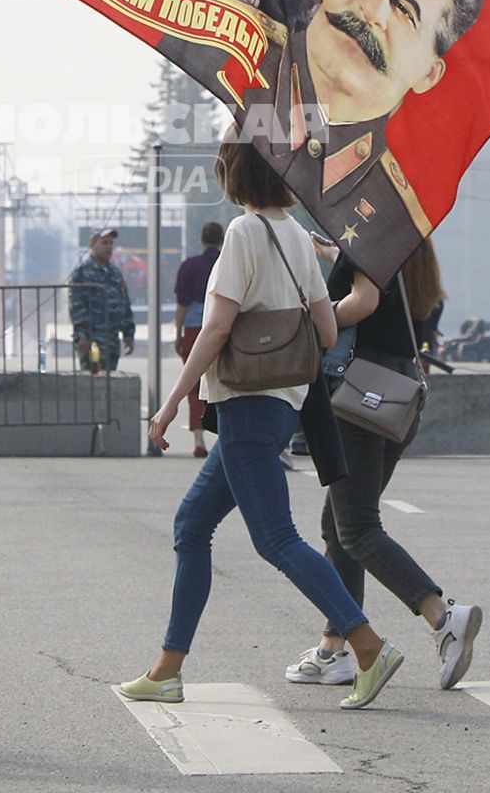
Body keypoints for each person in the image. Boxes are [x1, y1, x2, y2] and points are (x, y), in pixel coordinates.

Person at [121, 132, 403, 712]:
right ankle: (167, 670)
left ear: (235, 175)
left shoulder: (245, 233)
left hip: (246, 405)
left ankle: (369, 646)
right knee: (191, 528)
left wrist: (174, 401)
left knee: (276, 540)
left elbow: (217, 328)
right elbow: (327, 333)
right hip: (283, 401)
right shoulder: (298, 235)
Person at [244, 0, 488, 281]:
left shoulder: (396, 211)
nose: (371, 10)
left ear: (429, 73)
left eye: (404, 10)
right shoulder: (238, 77)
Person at [286, 237, 479, 693]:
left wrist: (313, 322)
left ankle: (442, 615)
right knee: (338, 525)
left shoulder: (369, 240)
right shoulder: (413, 249)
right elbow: (397, 304)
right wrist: (338, 256)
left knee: (356, 528)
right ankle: (335, 648)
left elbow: (365, 301)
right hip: (398, 393)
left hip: (359, 397)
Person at [173, 221, 224, 458]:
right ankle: (224, 437)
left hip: (194, 329)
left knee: (194, 385)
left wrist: (178, 333)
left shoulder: (189, 266)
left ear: (202, 240)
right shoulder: (228, 262)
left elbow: (182, 304)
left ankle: (199, 438)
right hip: (226, 327)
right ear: (221, 240)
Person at [69, 228, 134, 373]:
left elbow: (124, 303)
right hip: (92, 339)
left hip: (112, 339)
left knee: (109, 384)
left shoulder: (114, 272)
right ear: (93, 244)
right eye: (104, 243)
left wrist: (128, 334)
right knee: (93, 385)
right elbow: (77, 307)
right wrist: (82, 336)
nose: (109, 247)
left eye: (111, 243)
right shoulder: (82, 272)